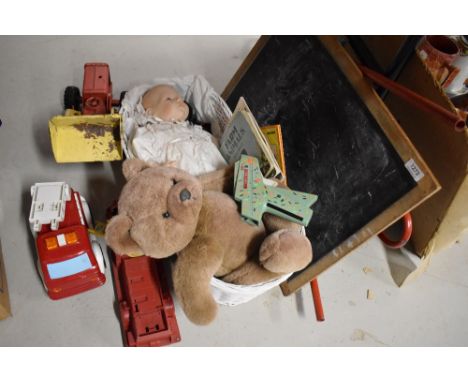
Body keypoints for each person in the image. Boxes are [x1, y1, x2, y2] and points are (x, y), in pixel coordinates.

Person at [131, 84, 228, 176]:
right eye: (169, 99)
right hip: (189, 180)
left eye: (180, 98)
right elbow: (139, 145)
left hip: (219, 171)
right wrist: (158, 169)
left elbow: (214, 142)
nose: (179, 99)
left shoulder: (192, 128)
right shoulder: (153, 132)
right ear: (149, 113)